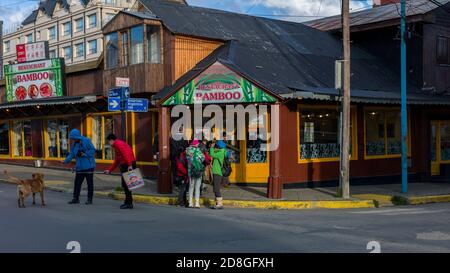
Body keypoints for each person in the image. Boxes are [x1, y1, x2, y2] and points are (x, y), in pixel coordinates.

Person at [63, 129, 96, 205]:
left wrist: (85, 154)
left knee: (89, 183)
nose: (73, 139)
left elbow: (93, 150)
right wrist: (65, 161)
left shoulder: (86, 141)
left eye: (73, 138)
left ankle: (89, 199)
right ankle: (75, 198)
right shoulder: (74, 144)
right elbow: (71, 154)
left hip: (89, 166)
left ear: (77, 136)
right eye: (72, 138)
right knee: (77, 183)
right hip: (79, 167)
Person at [104, 133, 137, 209]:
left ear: (111, 140)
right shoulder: (117, 144)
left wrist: (129, 166)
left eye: (108, 142)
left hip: (128, 164)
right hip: (127, 164)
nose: (109, 144)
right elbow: (117, 160)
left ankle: (129, 203)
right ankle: (128, 202)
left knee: (127, 185)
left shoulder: (118, 144)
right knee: (126, 185)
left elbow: (126, 154)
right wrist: (109, 170)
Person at [186, 138, 205, 208]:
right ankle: (197, 203)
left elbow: (188, 160)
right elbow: (203, 158)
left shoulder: (187, 150)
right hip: (198, 171)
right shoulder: (198, 151)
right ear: (196, 144)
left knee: (191, 187)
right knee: (197, 187)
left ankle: (190, 203)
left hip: (190, 171)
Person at [209, 140, 227, 209]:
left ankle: (219, 203)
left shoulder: (220, 152)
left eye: (217, 145)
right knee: (215, 188)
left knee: (216, 188)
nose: (216, 146)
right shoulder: (222, 151)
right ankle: (217, 202)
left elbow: (212, 154)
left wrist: (211, 147)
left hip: (217, 171)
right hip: (217, 171)